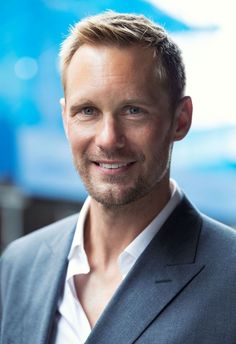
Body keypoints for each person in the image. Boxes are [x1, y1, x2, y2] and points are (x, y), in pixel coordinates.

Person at [1, 11, 236, 344]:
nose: (108, 138)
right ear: (66, 120)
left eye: (133, 110)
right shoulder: (18, 266)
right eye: (87, 111)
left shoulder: (230, 279)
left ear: (180, 120)